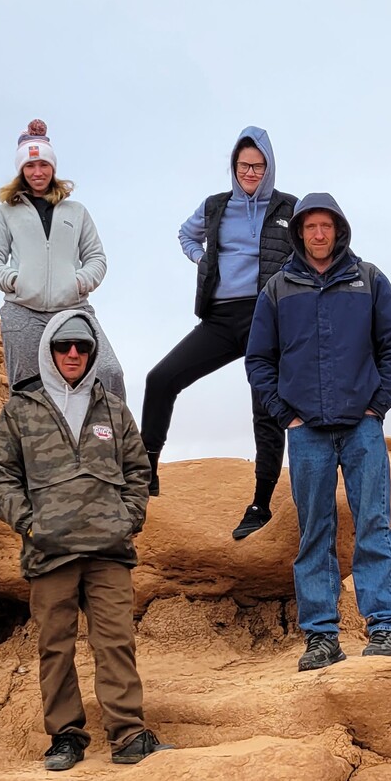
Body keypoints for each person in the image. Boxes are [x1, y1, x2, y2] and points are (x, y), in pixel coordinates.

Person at [0, 309, 168, 769]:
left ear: (92, 353)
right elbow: (2, 475)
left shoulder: (112, 408)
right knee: (55, 646)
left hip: (109, 550)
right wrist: (29, 524)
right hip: (49, 551)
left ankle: (128, 734)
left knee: (116, 642)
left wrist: (127, 519)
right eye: (64, 345)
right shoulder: (21, 409)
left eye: (82, 347)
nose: (73, 353)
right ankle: (66, 737)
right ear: (48, 350)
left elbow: (136, 470)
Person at [245, 193, 391, 671]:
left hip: (361, 428)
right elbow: (259, 360)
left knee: (373, 526)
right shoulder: (279, 289)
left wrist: (377, 406)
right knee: (314, 533)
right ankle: (322, 638)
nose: (319, 235)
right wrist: (285, 414)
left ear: (339, 230)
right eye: (310, 227)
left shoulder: (369, 280)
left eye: (326, 226)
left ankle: (384, 629)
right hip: (307, 432)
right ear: (299, 232)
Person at [141, 126, 296, 531]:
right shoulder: (215, 207)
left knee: (265, 409)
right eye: (244, 165)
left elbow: (312, 253)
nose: (251, 172)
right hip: (220, 317)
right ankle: (146, 472)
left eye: (259, 166)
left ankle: (260, 505)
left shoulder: (288, 209)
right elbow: (185, 234)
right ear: (233, 165)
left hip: (266, 318)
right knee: (160, 379)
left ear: (270, 166)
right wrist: (202, 259)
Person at [0, 119, 126, 398]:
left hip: (73, 307)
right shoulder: (6, 213)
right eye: (30, 166)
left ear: (53, 168)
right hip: (23, 311)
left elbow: (96, 257)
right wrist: (15, 281)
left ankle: (114, 440)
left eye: (44, 165)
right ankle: (35, 442)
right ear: (21, 170)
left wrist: (79, 282)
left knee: (108, 372)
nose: (37, 172)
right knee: (28, 390)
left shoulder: (76, 211)